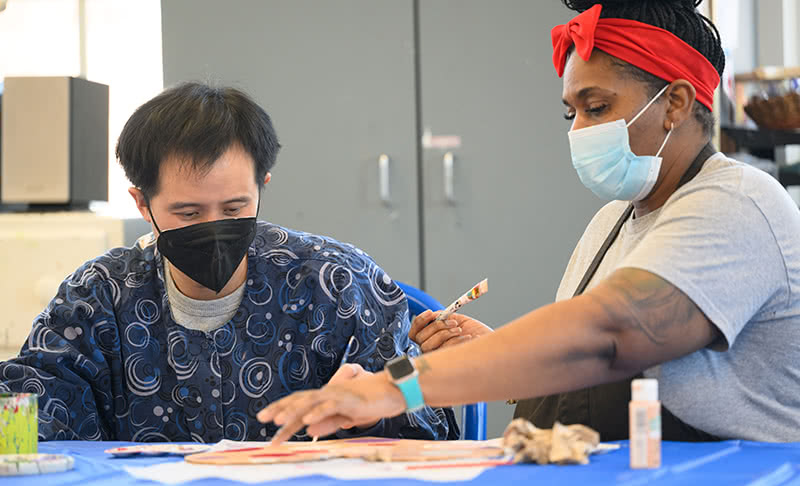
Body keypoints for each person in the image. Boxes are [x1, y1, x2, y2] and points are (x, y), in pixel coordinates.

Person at [258, 0, 800, 444]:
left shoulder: (738, 205)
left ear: (676, 103)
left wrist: (396, 386)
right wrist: (493, 355)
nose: (579, 130)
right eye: (572, 112)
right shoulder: (612, 222)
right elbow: (582, 365)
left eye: (597, 106)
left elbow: (608, 335)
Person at [0, 82, 458, 442]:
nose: (215, 227)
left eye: (235, 208)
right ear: (142, 204)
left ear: (263, 185)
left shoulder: (338, 283)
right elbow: (27, 408)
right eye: (189, 213)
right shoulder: (97, 300)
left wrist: (387, 399)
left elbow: (424, 404)